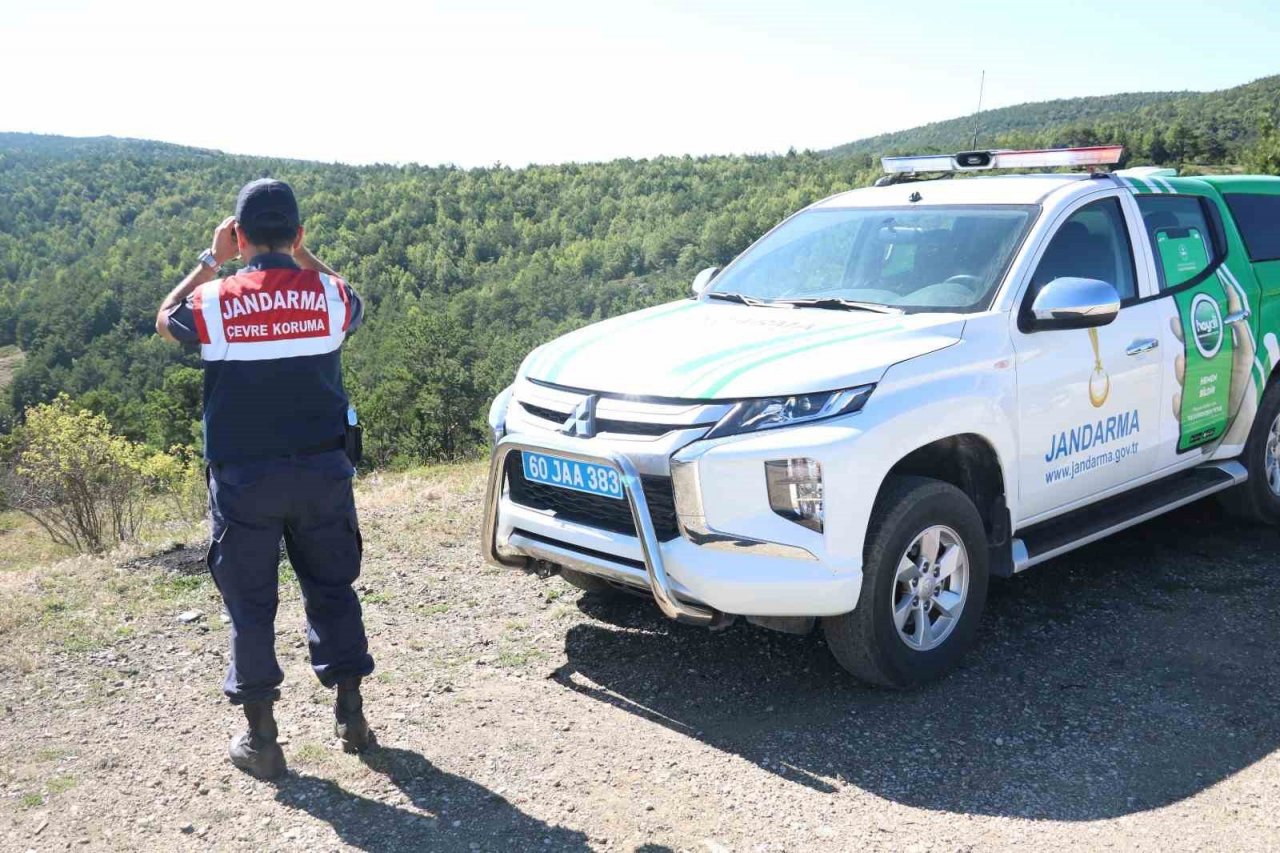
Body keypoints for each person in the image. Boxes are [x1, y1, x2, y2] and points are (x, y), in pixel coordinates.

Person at [156, 178, 375, 779]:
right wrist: (304, 256)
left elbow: (164, 318)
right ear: (299, 234)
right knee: (333, 589)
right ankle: (352, 718)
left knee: (250, 606)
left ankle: (263, 741)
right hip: (324, 472)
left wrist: (210, 261)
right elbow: (352, 296)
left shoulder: (216, 300)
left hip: (245, 480)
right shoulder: (328, 296)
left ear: (240, 236)